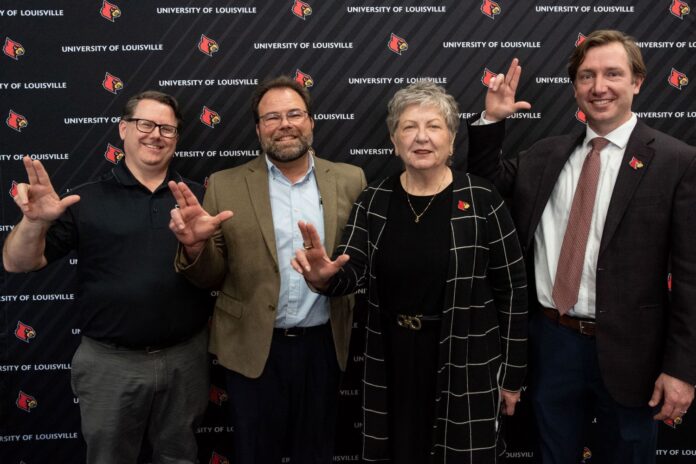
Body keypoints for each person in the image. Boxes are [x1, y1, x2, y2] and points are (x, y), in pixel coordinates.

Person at [468, 30, 696, 463]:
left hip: (635, 353)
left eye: (613, 73)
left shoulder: (677, 161)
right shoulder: (544, 154)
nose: (599, 86)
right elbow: (483, 192)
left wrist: (683, 368)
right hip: (553, 342)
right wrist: (493, 121)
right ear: (574, 88)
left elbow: (690, 277)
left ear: (637, 82)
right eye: (587, 76)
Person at [290, 80, 528, 463]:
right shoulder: (376, 199)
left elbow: (513, 292)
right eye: (408, 127)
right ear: (394, 140)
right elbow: (352, 270)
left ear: (452, 140)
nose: (421, 137)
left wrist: (512, 377)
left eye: (434, 126)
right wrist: (324, 278)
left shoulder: (482, 198)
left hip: (465, 359)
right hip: (392, 357)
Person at [2, 91, 212, 463]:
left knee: (180, 457)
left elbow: (218, 273)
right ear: (123, 129)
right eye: (145, 124)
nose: (156, 135)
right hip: (110, 364)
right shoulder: (86, 200)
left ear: (177, 137)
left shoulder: (197, 200)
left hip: (185, 359)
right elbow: (18, 263)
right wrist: (33, 222)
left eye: (167, 128)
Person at [167, 75, 366, 464]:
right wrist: (194, 246)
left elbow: (360, 262)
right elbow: (210, 276)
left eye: (294, 113)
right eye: (271, 117)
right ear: (258, 129)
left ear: (311, 121)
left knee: (317, 453)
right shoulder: (225, 185)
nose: (285, 123)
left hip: (323, 347)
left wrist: (333, 278)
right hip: (252, 349)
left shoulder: (349, 179)